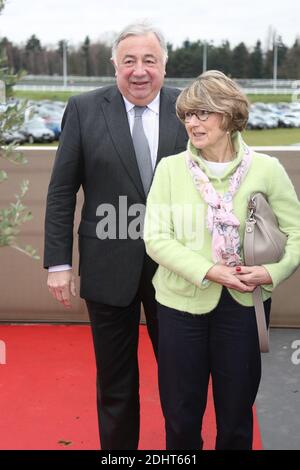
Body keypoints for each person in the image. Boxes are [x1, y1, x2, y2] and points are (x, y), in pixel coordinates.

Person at [44, 22, 188, 450]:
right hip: (107, 266)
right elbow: (61, 191)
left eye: (149, 60)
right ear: (114, 66)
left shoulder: (189, 106)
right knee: (116, 382)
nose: (139, 70)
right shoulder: (84, 108)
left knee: (183, 379)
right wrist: (59, 263)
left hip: (179, 268)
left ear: (164, 65)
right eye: (129, 61)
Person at [144, 70, 300, 450]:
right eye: (187, 115)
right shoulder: (169, 169)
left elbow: (296, 234)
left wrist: (271, 271)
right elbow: (155, 238)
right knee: (180, 421)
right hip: (179, 308)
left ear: (228, 115)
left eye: (202, 113)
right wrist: (211, 271)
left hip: (245, 308)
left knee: (235, 422)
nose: (191, 123)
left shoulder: (267, 169)